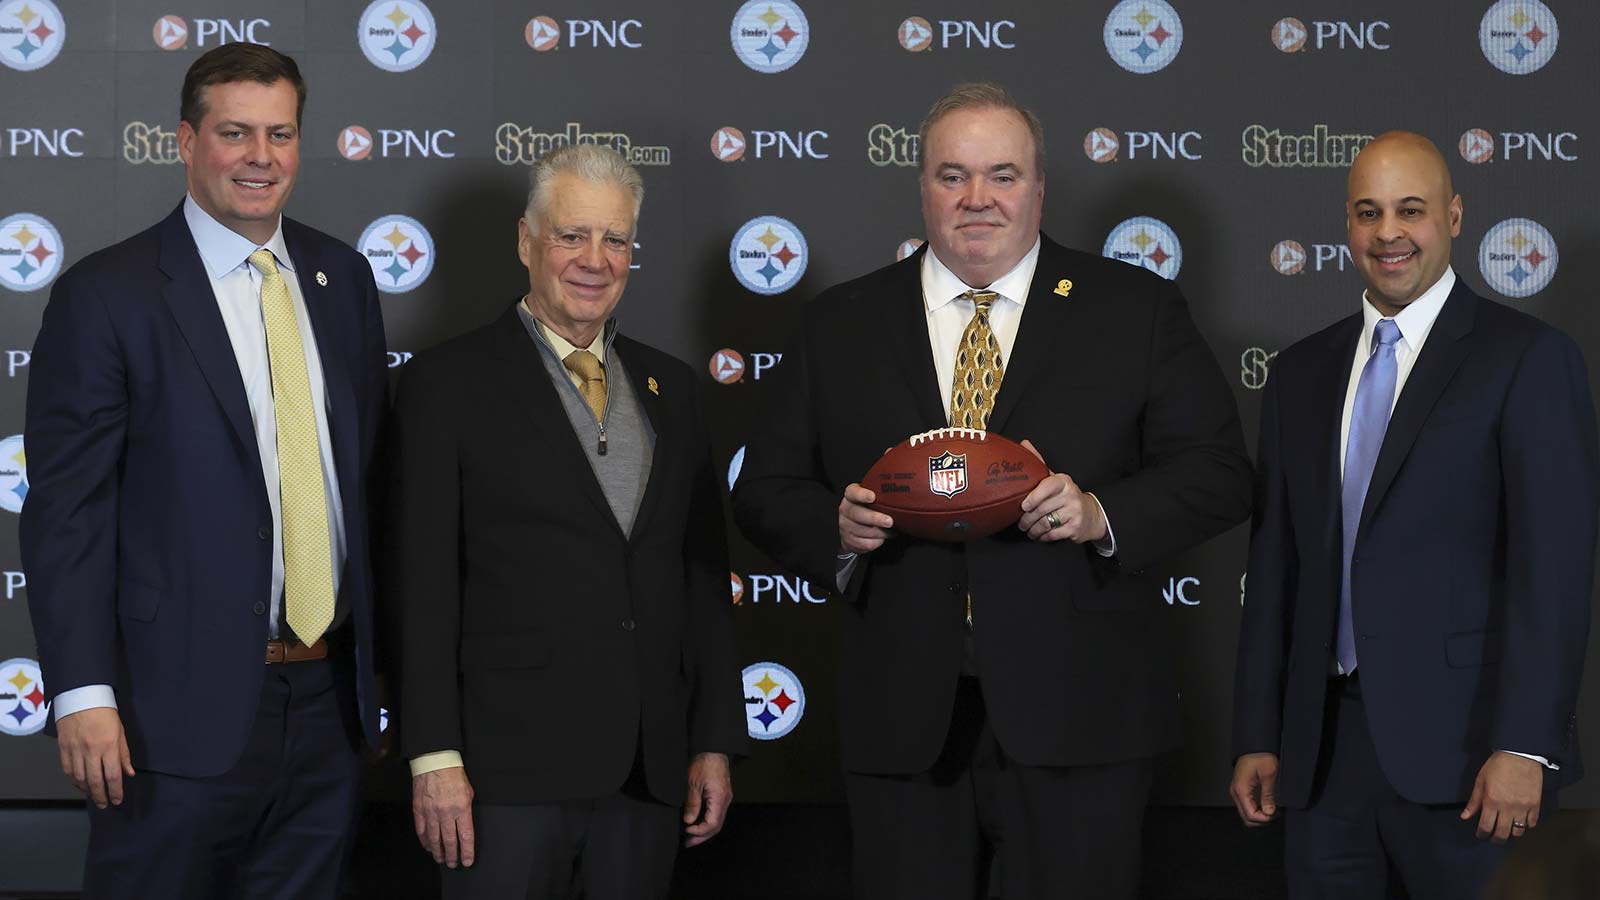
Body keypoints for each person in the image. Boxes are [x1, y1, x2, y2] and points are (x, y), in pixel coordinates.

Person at [731, 82, 1252, 899]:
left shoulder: (1134, 311)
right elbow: (762, 489)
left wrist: (1099, 513)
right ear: (923, 187)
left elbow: (1221, 473)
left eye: (1003, 175)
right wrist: (836, 526)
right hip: (902, 723)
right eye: (952, 175)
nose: (978, 199)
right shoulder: (840, 323)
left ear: (1040, 189)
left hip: (1083, 718)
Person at [20, 43, 387, 899]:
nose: (261, 157)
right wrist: (81, 693)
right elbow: (68, 512)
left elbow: (365, 485)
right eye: (235, 133)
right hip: (165, 717)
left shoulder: (344, 280)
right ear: (185, 142)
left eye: (281, 134)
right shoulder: (108, 294)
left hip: (328, 706)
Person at [1230, 131, 1597, 898]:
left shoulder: (1527, 357)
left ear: (1454, 216)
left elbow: (1552, 573)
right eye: (1368, 213)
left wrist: (1526, 746)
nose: (1388, 232)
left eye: (1410, 210)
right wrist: (1260, 734)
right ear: (1348, 226)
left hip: (1471, 759)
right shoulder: (1299, 373)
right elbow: (1275, 570)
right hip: (1321, 760)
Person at [390, 143, 745, 899]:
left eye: (615, 239)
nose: (595, 259)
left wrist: (713, 742)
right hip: (501, 781)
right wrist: (432, 757)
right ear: (526, 241)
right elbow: (420, 589)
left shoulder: (673, 389)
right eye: (571, 235)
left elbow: (702, 578)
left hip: (647, 779)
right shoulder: (444, 386)